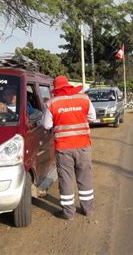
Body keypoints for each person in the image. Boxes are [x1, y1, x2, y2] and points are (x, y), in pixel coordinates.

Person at [43, 75, 96, 220]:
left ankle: (68, 212)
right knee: (85, 177)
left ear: (56, 89)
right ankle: (88, 209)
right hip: (83, 146)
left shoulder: (52, 103)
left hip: (64, 148)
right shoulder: (84, 99)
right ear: (68, 86)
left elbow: (46, 125)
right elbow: (92, 117)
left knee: (66, 179)